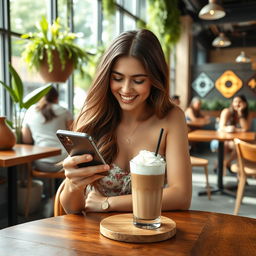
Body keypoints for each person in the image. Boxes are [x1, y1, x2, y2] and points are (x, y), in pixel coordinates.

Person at [60, 29, 192, 214]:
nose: (126, 89)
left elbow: (181, 197)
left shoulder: (171, 118)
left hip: (147, 230)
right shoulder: (92, 116)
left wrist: (107, 203)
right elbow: (71, 209)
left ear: (155, 79)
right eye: (117, 78)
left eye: (138, 80)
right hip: (95, 234)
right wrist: (73, 184)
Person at [22, 86, 73, 172]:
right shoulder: (64, 111)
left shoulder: (30, 111)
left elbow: (26, 139)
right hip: (63, 162)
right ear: (56, 98)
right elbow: (73, 136)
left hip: (41, 162)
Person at [218, 94, 251, 171]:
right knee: (226, 145)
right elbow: (221, 127)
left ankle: (227, 163)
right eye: (235, 101)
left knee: (239, 145)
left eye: (240, 102)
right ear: (232, 103)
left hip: (239, 140)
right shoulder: (226, 111)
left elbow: (245, 128)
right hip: (223, 139)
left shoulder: (247, 114)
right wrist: (229, 129)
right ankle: (219, 167)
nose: (237, 104)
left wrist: (240, 113)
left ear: (245, 104)